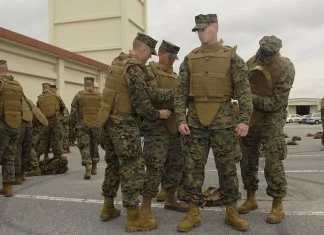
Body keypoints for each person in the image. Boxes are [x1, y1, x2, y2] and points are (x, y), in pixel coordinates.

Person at [174, 14, 253, 232]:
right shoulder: (190, 58)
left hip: (224, 120)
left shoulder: (232, 57)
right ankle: (193, 212)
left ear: (215, 28)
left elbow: (245, 92)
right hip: (195, 121)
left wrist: (244, 120)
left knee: (227, 168)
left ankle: (231, 212)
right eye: (197, 30)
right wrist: (181, 118)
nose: (200, 33)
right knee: (192, 169)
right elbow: (180, 93)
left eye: (203, 29)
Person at [98, 33, 172, 232]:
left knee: (113, 165)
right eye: (150, 54)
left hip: (108, 122)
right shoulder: (134, 69)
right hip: (123, 124)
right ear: (143, 50)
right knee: (133, 169)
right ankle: (133, 218)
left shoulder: (118, 62)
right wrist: (158, 114)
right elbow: (141, 103)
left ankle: (108, 207)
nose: (150, 58)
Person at [238, 35, 295, 224]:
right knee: (247, 159)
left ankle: (277, 204)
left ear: (277, 52)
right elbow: (240, 86)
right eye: (262, 53)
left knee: (273, 161)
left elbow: (275, 103)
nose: (264, 58)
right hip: (251, 117)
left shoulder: (286, 67)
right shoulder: (251, 62)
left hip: (272, 119)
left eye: (269, 55)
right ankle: (251, 198)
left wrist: (248, 97)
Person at [140, 40, 188, 220]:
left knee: (176, 164)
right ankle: (145, 204)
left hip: (174, 126)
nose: (173, 61)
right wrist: (178, 93)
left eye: (175, 58)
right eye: (171, 57)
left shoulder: (175, 76)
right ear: (161, 53)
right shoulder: (150, 71)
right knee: (154, 166)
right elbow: (152, 94)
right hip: (156, 127)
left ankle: (170, 197)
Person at [0, 60, 24, 196]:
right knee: (9, 156)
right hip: (15, 124)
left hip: (2, 124)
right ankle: (7, 187)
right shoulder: (17, 85)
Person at [70, 77, 101, 179]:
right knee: (94, 145)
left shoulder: (79, 96)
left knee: (84, 146)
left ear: (84, 85)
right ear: (93, 85)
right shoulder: (99, 96)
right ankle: (95, 167)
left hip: (83, 124)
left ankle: (87, 166)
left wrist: (73, 125)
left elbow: (73, 112)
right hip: (96, 124)